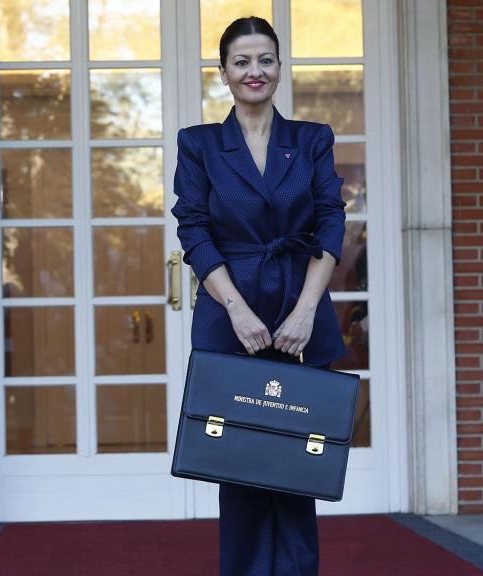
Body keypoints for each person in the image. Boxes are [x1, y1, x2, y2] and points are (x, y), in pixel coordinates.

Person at [171, 16, 348, 576]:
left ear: (279, 67)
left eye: (265, 59)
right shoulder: (198, 144)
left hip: (301, 307)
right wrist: (238, 310)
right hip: (231, 316)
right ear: (223, 72)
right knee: (240, 464)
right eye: (242, 61)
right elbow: (194, 230)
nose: (255, 71)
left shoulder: (312, 139)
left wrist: (305, 310)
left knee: (299, 463)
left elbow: (330, 224)